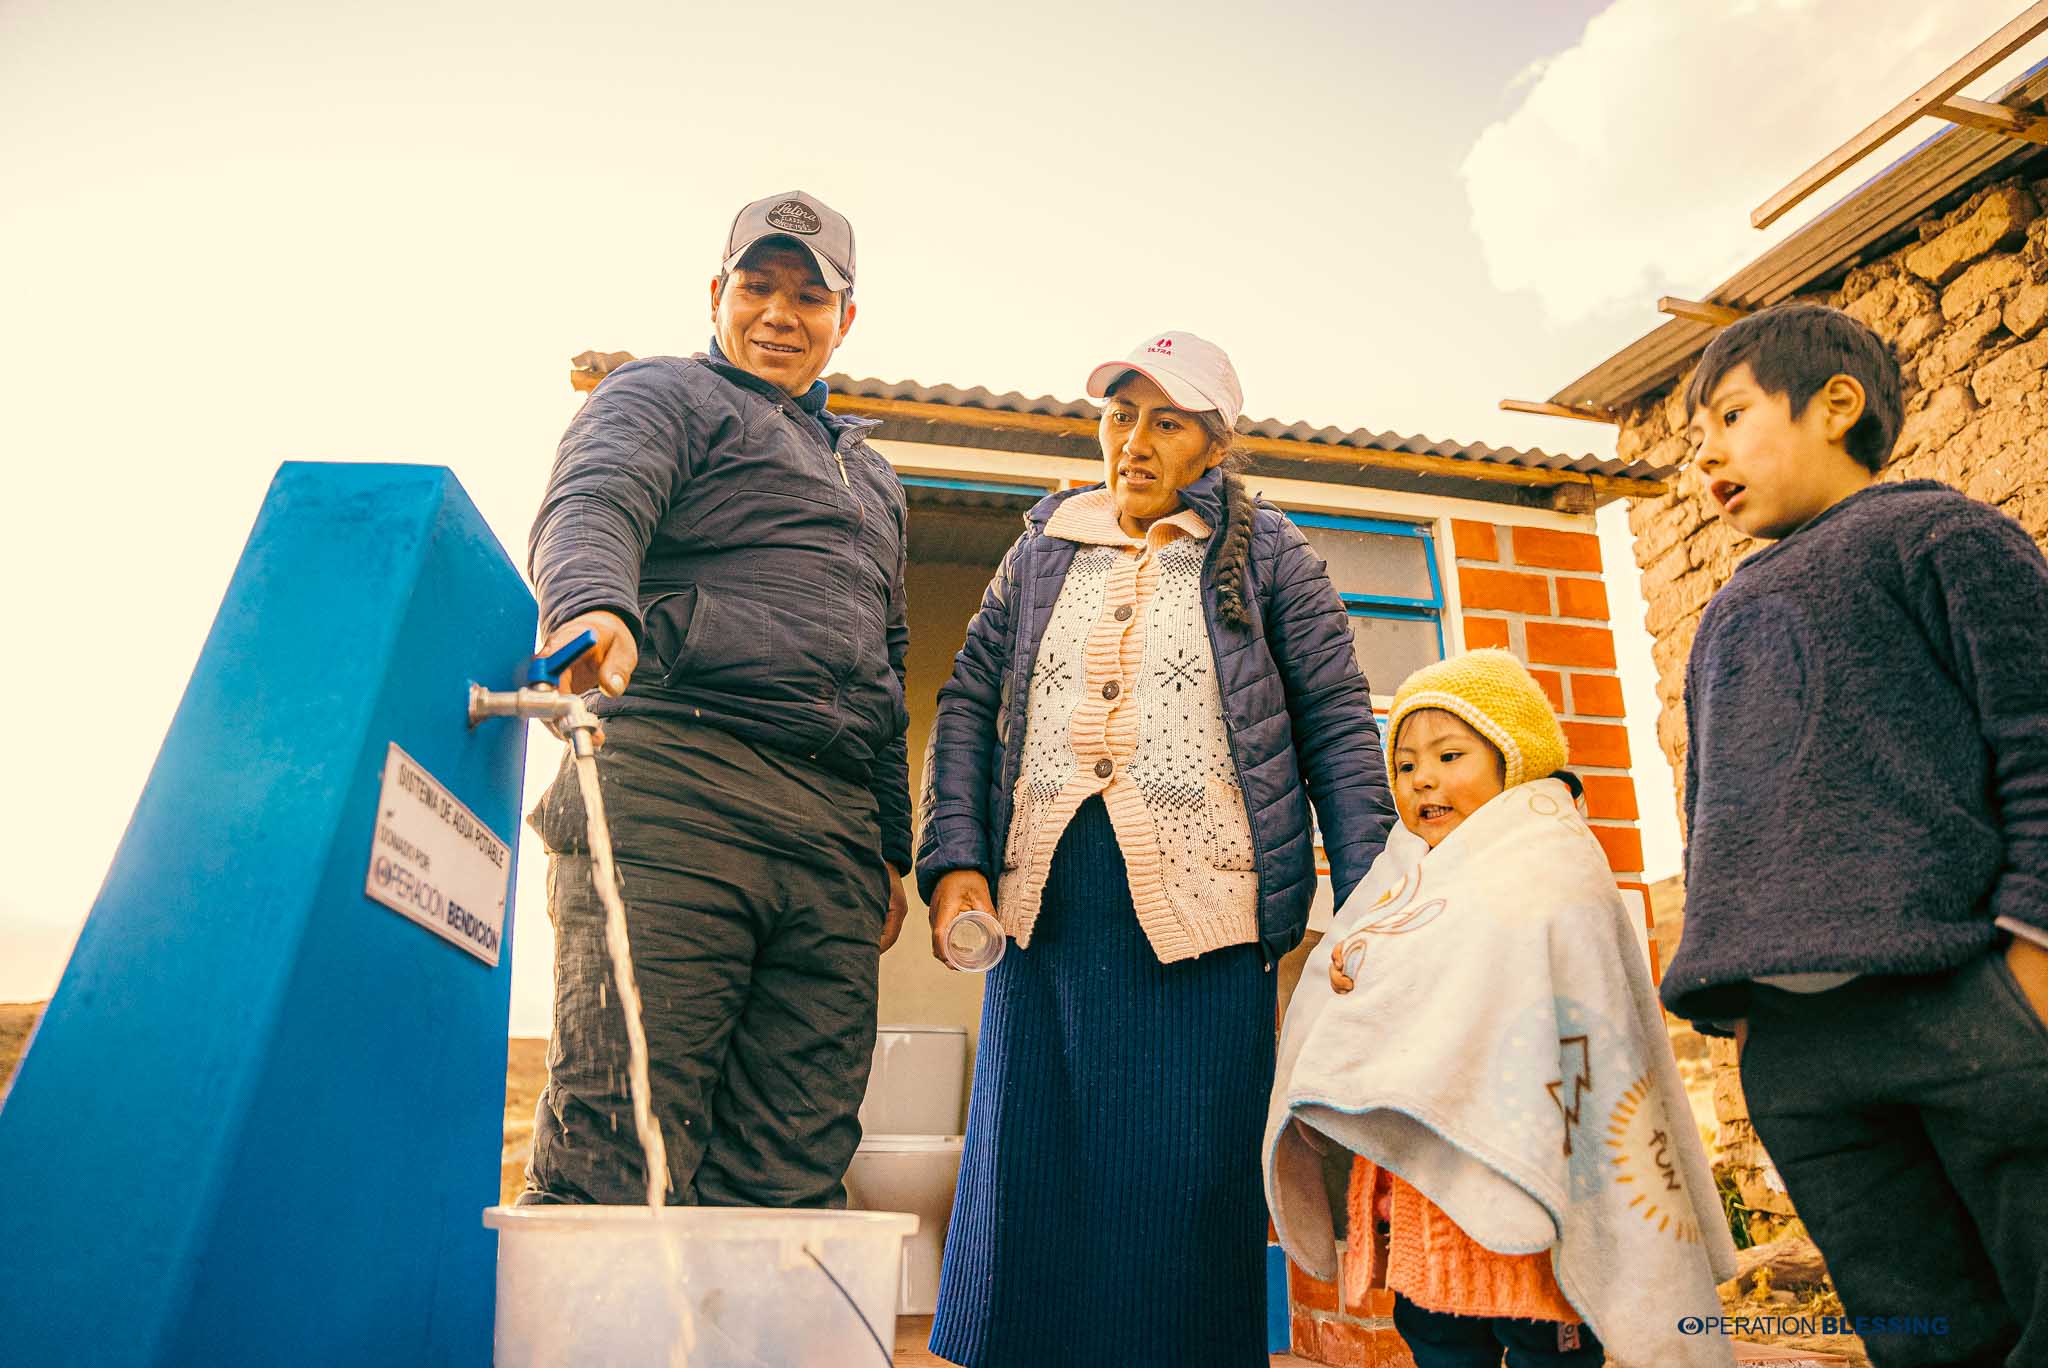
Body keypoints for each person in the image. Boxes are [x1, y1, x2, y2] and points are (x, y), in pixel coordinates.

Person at [916, 330, 1395, 1367]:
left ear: (1212, 445)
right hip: (1043, 909)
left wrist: (1373, 913)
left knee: (1178, 1180)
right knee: (1031, 1176)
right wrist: (955, 860)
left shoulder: (1269, 554)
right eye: (1118, 413)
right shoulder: (1039, 546)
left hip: (1200, 918)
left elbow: (1336, 727)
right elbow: (965, 704)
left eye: (1164, 420)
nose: (1132, 438)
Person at [1664, 302, 2048, 1367]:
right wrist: (1741, 1008)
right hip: (1802, 1061)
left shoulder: (1939, 535)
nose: (1704, 454)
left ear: (1834, 405)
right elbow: (1714, 821)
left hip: (1964, 1012)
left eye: (1728, 415)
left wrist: (2030, 963)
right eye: (1697, 437)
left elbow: (2037, 743)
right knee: (1923, 1339)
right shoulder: (1722, 612)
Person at [520, 190, 913, 1208]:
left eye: (808, 295)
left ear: (845, 320)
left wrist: (888, 849)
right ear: (717, 294)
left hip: (828, 836)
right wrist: (592, 605)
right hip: (674, 789)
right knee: (625, 1135)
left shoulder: (874, 479)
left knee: (796, 1160)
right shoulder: (657, 396)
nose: (780, 314)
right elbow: (595, 499)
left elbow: (886, 658)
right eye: (758, 286)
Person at [1266, 649, 1734, 1368]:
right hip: (1421, 1202)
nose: (1422, 777)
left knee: (1548, 1347)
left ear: (1514, 759)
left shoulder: (1548, 863)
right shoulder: (1402, 879)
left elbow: (1576, 1021)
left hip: (1533, 1188)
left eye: (1450, 754)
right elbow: (1372, 975)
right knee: (1440, 1342)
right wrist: (1357, 972)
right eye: (1405, 766)